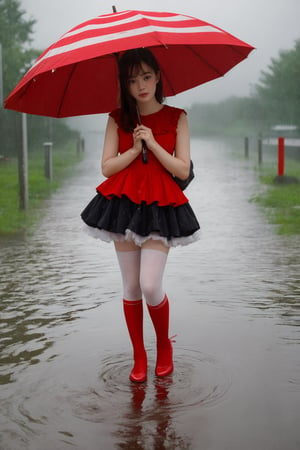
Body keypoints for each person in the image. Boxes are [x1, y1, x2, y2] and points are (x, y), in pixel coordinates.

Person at [81, 48, 200, 383]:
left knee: (150, 284)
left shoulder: (177, 117)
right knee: (131, 286)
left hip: (161, 205)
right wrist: (133, 149)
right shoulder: (117, 118)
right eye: (132, 80)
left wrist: (153, 144)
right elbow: (106, 168)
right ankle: (138, 355)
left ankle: (164, 345)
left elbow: (181, 168)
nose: (141, 85)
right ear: (125, 84)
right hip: (123, 205)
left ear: (158, 76)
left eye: (146, 77)